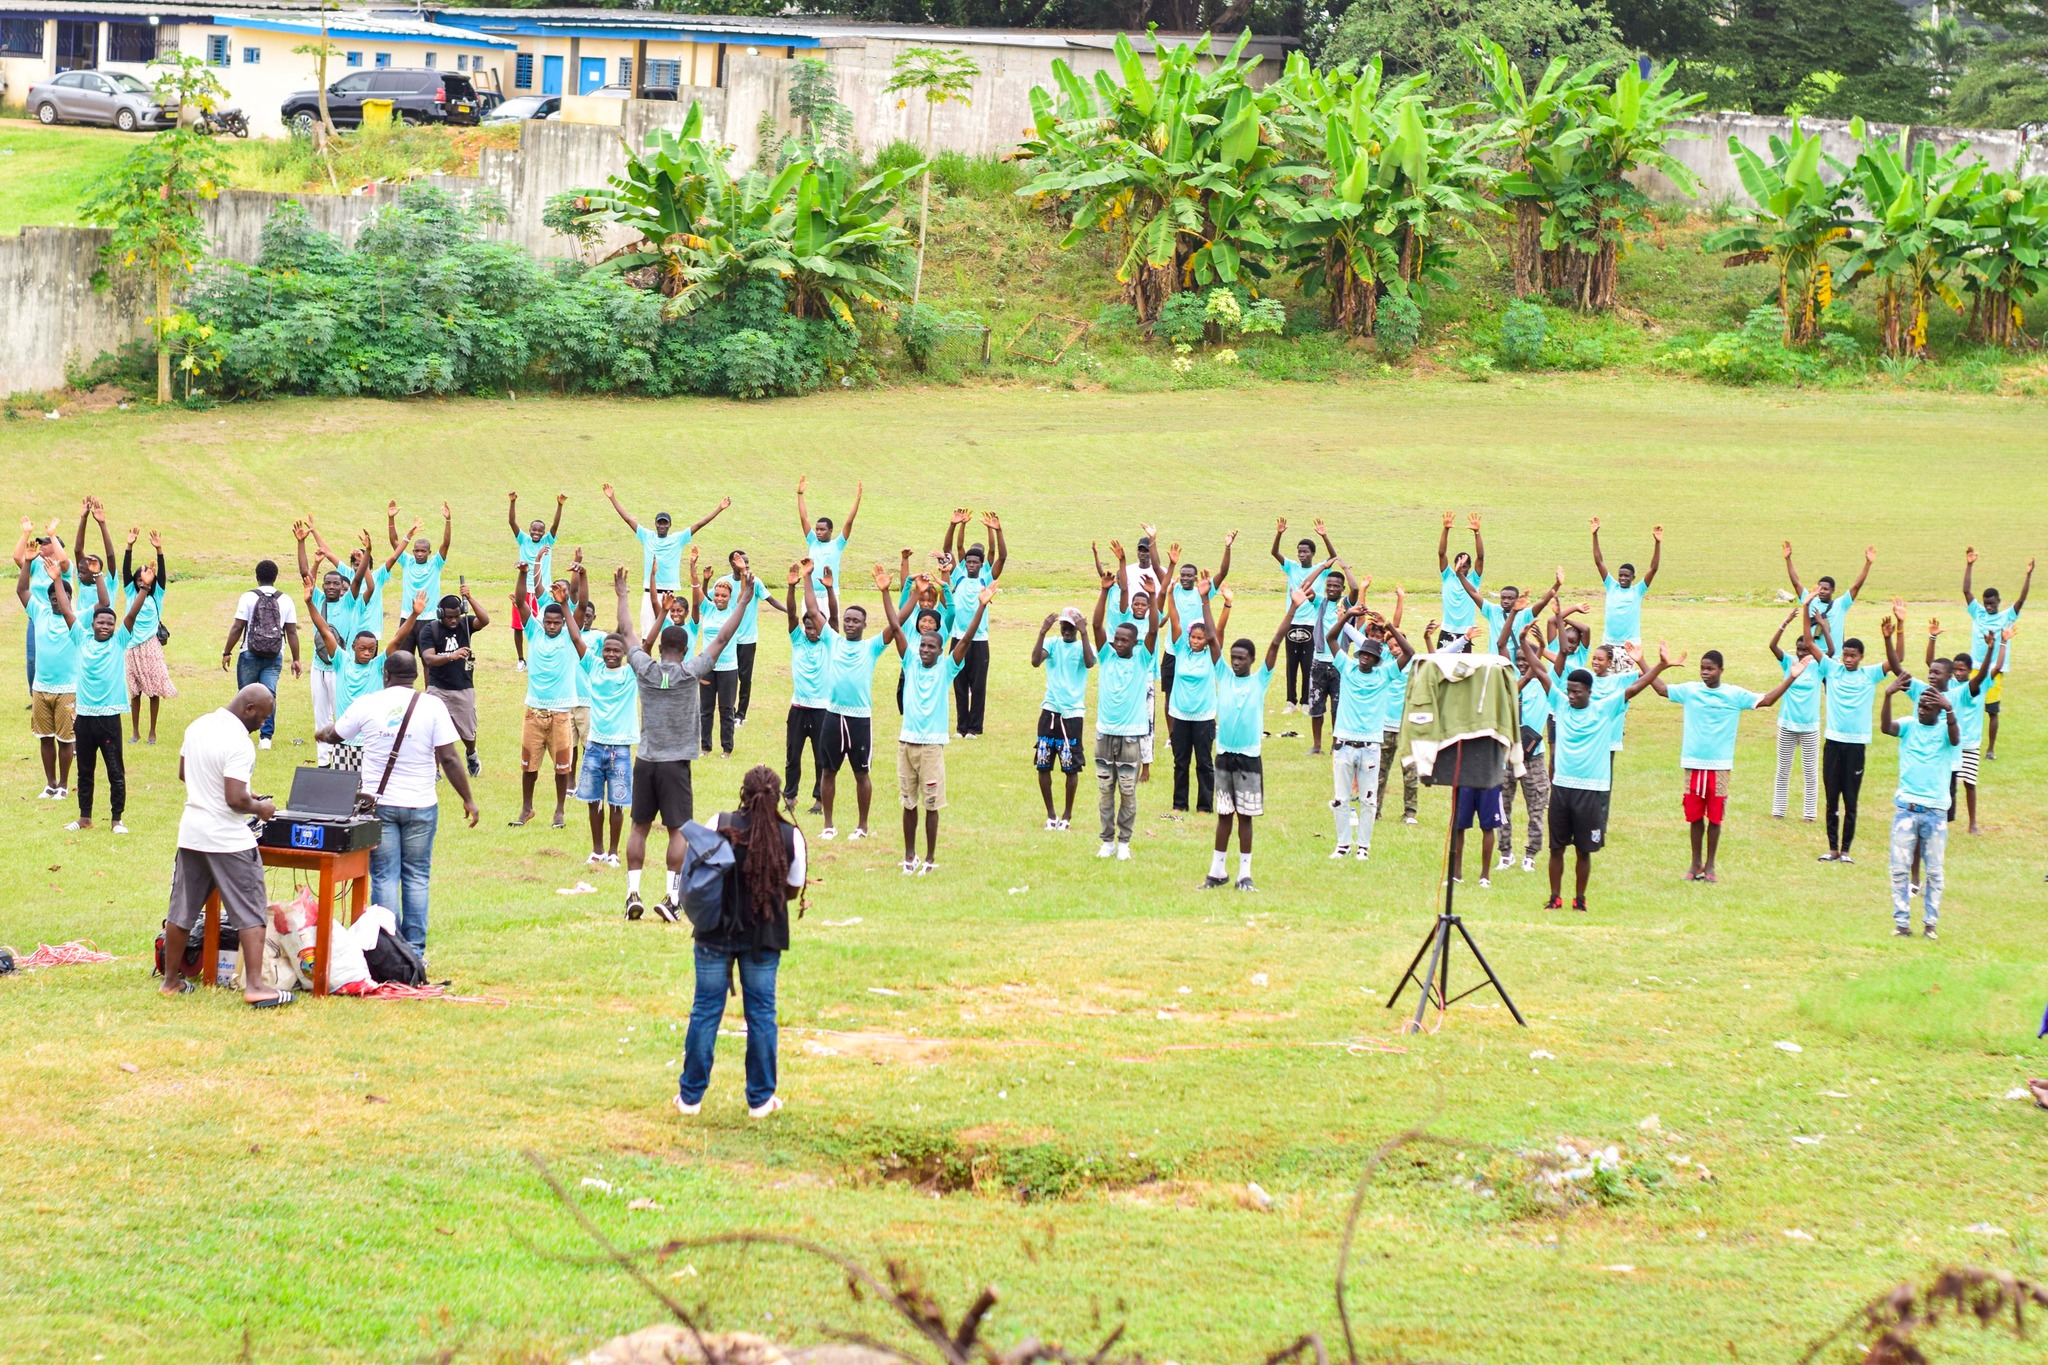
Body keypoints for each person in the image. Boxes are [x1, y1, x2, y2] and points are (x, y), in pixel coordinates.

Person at [317, 643, 479, 957]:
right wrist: (468, 799)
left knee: (384, 875)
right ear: (417, 675)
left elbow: (336, 734)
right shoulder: (432, 707)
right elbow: (449, 758)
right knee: (417, 876)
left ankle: (390, 950)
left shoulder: (368, 703)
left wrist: (322, 734)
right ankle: (416, 952)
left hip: (380, 805)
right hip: (421, 804)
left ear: (385, 674)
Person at [614, 567, 751, 922]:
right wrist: (745, 600)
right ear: (687, 648)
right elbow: (721, 638)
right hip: (676, 765)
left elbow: (628, 633)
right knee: (678, 830)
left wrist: (623, 594)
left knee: (639, 827)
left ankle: (632, 893)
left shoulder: (644, 668)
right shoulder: (691, 672)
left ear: (660, 648)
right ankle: (672, 899)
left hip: (645, 760)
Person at [675, 765, 806, 1120]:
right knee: (762, 1014)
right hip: (764, 936)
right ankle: (761, 1100)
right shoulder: (791, 837)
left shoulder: (720, 822)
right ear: (779, 798)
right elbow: (793, 888)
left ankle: (690, 1098)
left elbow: (698, 871)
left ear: (743, 795)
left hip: (715, 932)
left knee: (705, 1010)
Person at [159, 684, 292, 1006]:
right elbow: (235, 800)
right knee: (250, 912)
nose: (262, 724)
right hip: (228, 839)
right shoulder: (240, 744)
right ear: (248, 709)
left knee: (182, 910)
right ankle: (256, 986)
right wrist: (260, 807)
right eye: (262, 718)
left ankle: (171, 981)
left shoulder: (198, 725)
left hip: (192, 833)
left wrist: (240, 793)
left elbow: (184, 773)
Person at [1522, 628, 1669, 912]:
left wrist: (1659, 664)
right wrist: (1528, 644)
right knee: (1556, 848)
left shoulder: (1605, 708)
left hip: (1591, 789)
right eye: (1570, 691)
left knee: (1584, 850)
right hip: (1563, 787)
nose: (1572, 696)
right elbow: (1541, 673)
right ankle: (1555, 897)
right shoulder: (1561, 705)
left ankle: (1580, 898)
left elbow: (1635, 688)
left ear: (1590, 691)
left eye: (1577, 692)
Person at [1646, 642, 1808, 882]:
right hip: (1693, 764)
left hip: (1720, 767)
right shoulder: (1690, 691)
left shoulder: (1734, 695)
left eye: (1710, 669)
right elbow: (1660, 689)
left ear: (1721, 670)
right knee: (1693, 817)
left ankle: (1710, 866)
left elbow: (1767, 700)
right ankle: (1695, 863)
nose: (1705, 673)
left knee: (1715, 817)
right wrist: (1642, 661)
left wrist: (1791, 677)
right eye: (1702, 668)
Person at [1199, 588, 1301, 891]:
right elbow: (1213, 638)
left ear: (1253, 660)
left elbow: (1275, 641)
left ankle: (1244, 874)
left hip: (1248, 758)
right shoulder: (1224, 675)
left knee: (1245, 816)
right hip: (1224, 754)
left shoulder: (1260, 680)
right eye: (1234, 658)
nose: (1237, 662)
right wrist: (1206, 600)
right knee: (1224, 814)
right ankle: (1217, 871)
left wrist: (1293, 608)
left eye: (1242, 658)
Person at [893, 580, 989, 874]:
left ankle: (930, 858)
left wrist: (982, 606)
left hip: (932, 747)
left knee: (931, 806)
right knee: (908, 804)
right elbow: (896, 628)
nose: (924, 649)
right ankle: (909, 856)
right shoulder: (909, 662)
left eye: (931, 646)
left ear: (939, 650)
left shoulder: (948, 667)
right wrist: (889, 593)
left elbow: (965, 641)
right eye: (922, 644)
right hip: (906, 743)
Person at [819, 566, 905, 841]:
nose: (851, 623)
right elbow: (812, 610)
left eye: (856, 620)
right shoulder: (832, 641)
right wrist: (808, 580)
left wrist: (894, 593)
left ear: (865, 625)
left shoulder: (871, 646)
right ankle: (829, 825)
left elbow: (896, 624)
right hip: (833, 716)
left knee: (861, 773)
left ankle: (862, 826)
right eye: (847, 619)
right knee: (828, 771)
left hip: (859, 718)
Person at [306, 577, 421, 773]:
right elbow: (324, 631)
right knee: (343, 788)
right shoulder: (342, 661)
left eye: (371, 649)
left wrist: (414, 615)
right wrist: (309, 603)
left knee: (368, 789)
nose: (367, 653)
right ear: (353, 647)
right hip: (343, 740)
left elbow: (397, 639)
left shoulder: (378, 665)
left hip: (370, 741)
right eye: (362, 649)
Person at [68, 567, 151, 833]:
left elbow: (131, 614)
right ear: (92, 623)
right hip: (84, 718)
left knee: (115, 770)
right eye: (100, 622)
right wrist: (58, 579)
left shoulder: (119, 642)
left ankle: (117, 820)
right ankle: (84, 818)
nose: (105, 626)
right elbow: (69, 613)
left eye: (109, 623)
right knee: (84, 770)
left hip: (109, 718)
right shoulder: (81, 639)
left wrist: (145, 589)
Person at [1325, 601, 1407, 865]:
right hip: (1344, 744)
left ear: (1376, 659)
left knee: (1369, 801)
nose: (1364, 658)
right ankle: (1342, 845)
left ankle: (1364, 847)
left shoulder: (1385, 674)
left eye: (1369, 656)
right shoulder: (1347, 668)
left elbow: (1411, 652)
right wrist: (1348, 615)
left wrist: (1390, 627)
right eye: (1362, 653)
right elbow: (1329, 638)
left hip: (1370, 745)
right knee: (1341, 799)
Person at [1093, 547, 1161, 861]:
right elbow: (1096, 627)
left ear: (1133, 643)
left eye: (1124, 640)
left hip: (1132, 735)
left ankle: (1124, 843)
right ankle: (1106, 841)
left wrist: (1154, 598)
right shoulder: (1106, 656)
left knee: (1128, 791)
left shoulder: (1143, 659)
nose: (1118, 642)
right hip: (1104, 733)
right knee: (1105, 790)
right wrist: (1103, 592)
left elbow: (1153, 629)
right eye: (1116, 638)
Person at [1881, 671, 1960, 940]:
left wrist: (1950, 711)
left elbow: (1957, 738)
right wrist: (1888, 695)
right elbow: (1885, 728)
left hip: (1936, 812)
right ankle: (1902, 923)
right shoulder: (1908, 725)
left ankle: (1930, 924)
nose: (1922, 710)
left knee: (1935, 872)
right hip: (1906, 808)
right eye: (1919, 706)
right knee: (1899, 868)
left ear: (1939, 709)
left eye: (1928, 707)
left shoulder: (1946, 733)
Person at [603, 482, 730, 629]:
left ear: (669, 525)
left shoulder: (678, 539)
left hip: (669, 594)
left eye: (665, 523)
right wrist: (612, 498)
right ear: (655, 524)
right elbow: (628, 519)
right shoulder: (646, 536)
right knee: (646, 633)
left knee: (670, 633)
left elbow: (701, 523)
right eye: (659, 523)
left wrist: (719, 508)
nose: (662, 526)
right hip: (648, 593)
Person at [512, 562, 582, 828]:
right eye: (548, 622)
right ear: (542, 621)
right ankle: (526, 809)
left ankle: (559, 811)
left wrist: (565, 604)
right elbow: (520, 601)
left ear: (563, 623)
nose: (551, 626)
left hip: (561, 714)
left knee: (562, 768)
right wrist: (522, 573)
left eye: (557, 623)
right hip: (533, 712)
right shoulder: (534, 632)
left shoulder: (568, 637)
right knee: (528, 765)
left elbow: (580, 610)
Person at [570, 604, 639, 869]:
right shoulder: (594, 667)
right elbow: (576, 637)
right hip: (594, 746)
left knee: (617, 803)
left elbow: (647, 643)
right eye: (607, 650)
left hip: (620, 749)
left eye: (616, 650)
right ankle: (597, 850)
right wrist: (566, 605)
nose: (611, 654)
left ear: (624, 654)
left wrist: (662, 614)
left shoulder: (631, 672)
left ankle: (613, 852)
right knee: (592, 800)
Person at [1926, 621, 2010, 836]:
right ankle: (1939, 818)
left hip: (1970, 744)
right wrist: (1932, 638)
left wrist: (1999, 644)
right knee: (1945, 781)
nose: (1959, 673)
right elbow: (1930, 663)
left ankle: (1973, 823)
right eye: (1955, 670)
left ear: (1970, 670)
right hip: (1950, 742)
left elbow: (1995, 668)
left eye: (1963, 670)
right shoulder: (1951, 685)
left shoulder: (1978, 685)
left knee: (1970, 783)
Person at [1815, 624, 1886, 864]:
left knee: (1851, 799)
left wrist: (1893, 634)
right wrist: (1805, 608)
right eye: (1845, 654)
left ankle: (1846, 850)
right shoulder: (1832, 670)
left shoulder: (1870, 675)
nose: (1848, 659)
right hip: (1833, 744)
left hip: (1856, 746)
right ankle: (1832, 849)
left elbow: (1897, 661)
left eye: (1853, 655)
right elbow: (1809, 642)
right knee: (1831, 798)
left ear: (1861, 657)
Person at [1159, 531, 1235, 746]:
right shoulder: (1174, 591)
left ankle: (1205, 722)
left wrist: (1227, 547)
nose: (1185, 578)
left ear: (1195, 578)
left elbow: (1223, 572)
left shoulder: (1203, 592)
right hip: (1175, 650)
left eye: (1188, 576)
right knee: (1170, 694)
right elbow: (1164, 589)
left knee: (1201, 685)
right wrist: (1171, 565)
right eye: (1182, 575)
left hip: (1199, 650)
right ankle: (1173, 736)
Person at [18, 540, 79, 799]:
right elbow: (22, 591)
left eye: (61, 597)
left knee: (66, 740)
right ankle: (50, 783)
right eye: (53, 597)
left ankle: (64, 785)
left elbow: (101, 600)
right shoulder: (40, 613)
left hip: (67, 689)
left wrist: (57, 579)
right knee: (45, 738)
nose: (56, 600)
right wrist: (29, 561)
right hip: (41, 688)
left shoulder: (76, 620)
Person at [220, 557, 301, 750]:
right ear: (276, 577)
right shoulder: (286, 599)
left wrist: (227, 651)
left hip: (250, 652)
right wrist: (296, 659)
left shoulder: (248, 597)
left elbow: (238, 627)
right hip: (275, 654)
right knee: (269, 695)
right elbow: (291, 632)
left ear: (257, 577)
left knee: (245, 695)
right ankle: (266, 738)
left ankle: (242, 733)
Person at [412, 581, 490, 777]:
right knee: (432, 728)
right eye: (449, 617)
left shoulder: (465, 624)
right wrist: (451, 656)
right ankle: (434, 769)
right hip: (438, 687)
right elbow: (428, 658)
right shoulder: (430, 630)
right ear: (440, 615)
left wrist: (470, 598)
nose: (454, 621)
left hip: (462, 686)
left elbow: (485, 619)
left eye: (457, 616)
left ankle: (471, 754)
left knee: (468, 731)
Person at [1164, 572, 1226, 815]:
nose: (1196, 641)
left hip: (1203, 718)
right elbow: (1175, 621)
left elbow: (1216, 630)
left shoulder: (1212, 656)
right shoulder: (1180, 650)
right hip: (1180, 715)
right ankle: (1179, 804)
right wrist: (1169, 594)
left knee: (1204, 763)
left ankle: (1204, 806)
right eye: (1193, 637)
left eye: (1200, 638)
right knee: (1180, 762)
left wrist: (1210, 601)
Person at [943, 509, 1007, 739]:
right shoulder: (958, 574)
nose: (971, 564)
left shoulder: (985, 578)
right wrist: (954, 526)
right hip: (958, 637)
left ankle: (975, 729)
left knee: (978, 686)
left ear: (981, 565)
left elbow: (1000, 556)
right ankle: (961, 729)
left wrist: (997, 531)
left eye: (975, 562)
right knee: (959, 684)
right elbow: (949, 550)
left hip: (979, 640)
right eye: (968, 561)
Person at [1031, 607, 1097, 831]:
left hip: (1072, 715)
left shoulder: (1083, 646)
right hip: (1049, 711)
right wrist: (1041, 632)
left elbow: (1090, 663)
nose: (1067, 630)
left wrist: (1085, 634)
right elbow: (1035, 661)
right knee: (1043, 765)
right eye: (1064, 626)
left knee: (1071, 768)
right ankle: (1051, 814)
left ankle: (1067, 816)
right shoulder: (1051, 643)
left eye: (1072, 627)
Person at [1962, 548, 2031, 760]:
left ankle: (1990, 749)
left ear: (1999, 601)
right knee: (1968, 705)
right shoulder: (1978, 613)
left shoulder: (2006, 618)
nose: (1989, 607)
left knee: (1992, 710)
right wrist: (1970, 564)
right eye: (1986, 603)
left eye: (1992, 603)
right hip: (1975, 668)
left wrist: (2028, 575)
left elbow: (2021, 601)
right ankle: (1965, 741)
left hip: (1994, 671)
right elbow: (1966, 591)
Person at [1766, 603, 1826, 822]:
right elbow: (1772, 646)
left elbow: (1833, 651)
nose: (1801, 653)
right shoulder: (1788, 663)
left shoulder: (1819, 666)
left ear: (1812, 649)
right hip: (1787, 724)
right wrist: (1785, 623)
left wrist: (1822, 626)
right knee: (1783, 770)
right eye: (1799, 649)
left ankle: (1809, 815)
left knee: (1810, 773)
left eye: (1806, 649)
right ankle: (1778, 812)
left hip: (1810, 727)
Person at [1270, 517, 1336, 713]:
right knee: (1292, 662)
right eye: (1299, 551)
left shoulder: (1320, 570)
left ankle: (1306, 702)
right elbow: (1274, 553)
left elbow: (1334, 557)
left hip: (1310, 623)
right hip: (1292, 622)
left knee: (1308, 663)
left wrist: (1325, 536)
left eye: (1305, 551)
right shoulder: (1291, 567)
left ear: (1313, 554)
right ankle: (1291, 702)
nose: (1301, 554)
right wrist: (1279, 533)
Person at [783, 560, 833, 817]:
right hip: (798, 708)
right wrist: (792, 587)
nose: (812, 630)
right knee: (793, 756)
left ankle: (819, 800)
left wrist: (828, 589)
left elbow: (832, 615)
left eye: (816, 626)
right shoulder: (798, 641)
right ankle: (790, 796)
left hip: (822, 709)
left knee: (820, 758)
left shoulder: (828, 643)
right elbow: (792, 614)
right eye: (808, 626)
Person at [720, 550, 787, 727]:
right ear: (733, 564)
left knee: (745, 677)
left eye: (748, 563)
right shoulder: (724, 583)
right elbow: (710, 598)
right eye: (743, 562)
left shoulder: (754, 582)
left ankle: (741, 714)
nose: (747, 566)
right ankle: (729, 711)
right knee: (730, 675)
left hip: (748, 639)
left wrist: (790, 612)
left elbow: (771, 600)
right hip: (730, 637)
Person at [121, 526, 175, 745]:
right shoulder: (131, 592)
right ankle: (135, 731)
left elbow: (161, 574)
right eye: (141, 574)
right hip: (132, 646)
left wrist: (159, 550)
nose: (145, 576)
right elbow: (125, 570)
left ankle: (152, 731)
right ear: (136, 579)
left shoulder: (157, 595)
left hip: (151, 645)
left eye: (148, 573)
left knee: (153, 691)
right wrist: (129, 546)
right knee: (134, 692)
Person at [692, 565, 748, 758]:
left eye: (723, 595)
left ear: (729, 597)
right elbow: (695, 588)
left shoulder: (734, 610)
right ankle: (705, 748)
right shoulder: (707, 608)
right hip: (707, 666)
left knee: (726, 709)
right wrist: (693, 567)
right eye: (717, 595)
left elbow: (744, 593)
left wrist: (741, 572)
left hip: (728, 668)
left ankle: (726, 749)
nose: (719, 598)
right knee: (705, 709)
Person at [507, 490, 566, 670]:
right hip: (523, 591)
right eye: (534, 529)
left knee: (543, 625)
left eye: (540, 530)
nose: (537, 532)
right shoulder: (523, 540)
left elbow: (555, 525)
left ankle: (539, 657)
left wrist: (559, 505)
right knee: (518, 626)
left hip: (541, 592)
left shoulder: (548, 541)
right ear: (529, 530)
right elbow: (511, 522)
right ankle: (520, 659)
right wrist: (512, 502)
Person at [1784, 541, 1873, 659]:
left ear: (1833, 590)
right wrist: (1788, 559)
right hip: (1813, 658)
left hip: (1833, 659)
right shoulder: (1810, 600)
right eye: (1820, 588)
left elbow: (1856, 586)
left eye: (1826, 589)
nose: (1822, 591)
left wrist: (1868, 563)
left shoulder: (1840, 604)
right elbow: (1796, 583)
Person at [1306, 562, 1360, 756]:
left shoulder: (1345, 604)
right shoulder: (1319, 601)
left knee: (1337, 707)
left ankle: (1335, 744)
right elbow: (1305, 587)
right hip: (1318, 661)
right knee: (1316, 706)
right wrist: (1321, 568)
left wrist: (1346, 568)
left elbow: (1355, 588)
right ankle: (1316, 745)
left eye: (1336, 585)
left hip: (1339, 663)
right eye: (1329, 585)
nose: (1331, 588)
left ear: (1342, 589)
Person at [1590, 517, 1662, 648]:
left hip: (1630, 644)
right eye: (1620, 575)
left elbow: (1653, 568)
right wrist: (1594, 535)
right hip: (1609, 643)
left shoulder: (1638, 590)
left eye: (1626, 576)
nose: (1622, 578)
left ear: (1633, 577)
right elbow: (1599, 562)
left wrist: (1657, 543)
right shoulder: (1611, 586)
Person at [798, 476, 862, 594]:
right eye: (817, 529)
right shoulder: (812, 541)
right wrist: (800, 494)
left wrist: (857, 499)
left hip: (830, 594)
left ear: (830, 530)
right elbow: (803, 518)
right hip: (811, 594)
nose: (818, 532)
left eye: (822, 529)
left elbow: (849, 522)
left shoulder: (838, 544)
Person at [390, 499, 454, 614]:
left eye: (423, 551)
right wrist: (391, 518)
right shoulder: (407, 562)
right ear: (413, 551)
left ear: (429, 553)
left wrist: (448, 520)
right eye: (417, 551)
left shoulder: (435, 564)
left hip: (429, 617)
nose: (419, 554)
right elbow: (394, 542)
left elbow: (446, 544)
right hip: (408, 615)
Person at [1437, 511, 1485, 646]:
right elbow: (1441, 553)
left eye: (1465, 566)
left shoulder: (1474, 580)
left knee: (1463, 667)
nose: (1461, 568)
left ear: (1470, 567)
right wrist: (1445, 529)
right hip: (1447, 629)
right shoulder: (1447, 576)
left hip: (1467, 631)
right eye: (1459, 565)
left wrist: (1477, 533)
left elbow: (1480, 557)